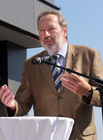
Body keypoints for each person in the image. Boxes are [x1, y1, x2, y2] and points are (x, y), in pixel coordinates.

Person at [0, 10, 103, 140]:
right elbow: (23, 104)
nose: (46, 34)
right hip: (46, 136)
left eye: (51, 29)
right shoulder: (31, 65)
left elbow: (102, 95)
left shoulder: (90, 55)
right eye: (41, 30)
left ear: (65, 31)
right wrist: (11, 104)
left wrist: (88, 91)